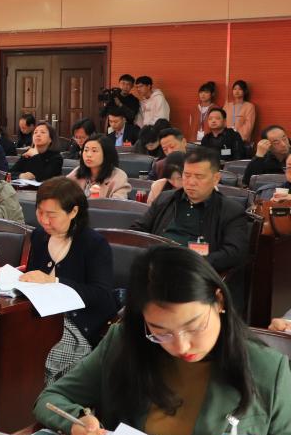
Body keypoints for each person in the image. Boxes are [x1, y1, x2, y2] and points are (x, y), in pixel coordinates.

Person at [35, 246, 291, 435]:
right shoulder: (124, 343)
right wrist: (78, 423)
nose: (181, 346)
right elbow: (51, 398)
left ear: (219, 301)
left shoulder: (268, 369)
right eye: (160, 332)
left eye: (194, 327)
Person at [131, 149, 250, 311]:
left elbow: (235, 252)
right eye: (186, 175)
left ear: (216, 178)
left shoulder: (230, 210)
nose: (191, 182)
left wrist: (192, 263)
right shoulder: (166, 199)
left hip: (196, 277)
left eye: (199, 177)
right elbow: (137, 229)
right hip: (156, 269)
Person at [23, 177, 115, 382]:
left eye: (51, 215)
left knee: (39, 357)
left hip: (76, 324)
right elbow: (33, 280)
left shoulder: (94, 244)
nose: (44, 220)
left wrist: (54, 282)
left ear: (73, 212)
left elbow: (102, 295)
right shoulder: (39, 236)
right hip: (41, 316)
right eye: (40, 212)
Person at [67, 134, 131, 200]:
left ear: (106, 154)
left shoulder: (119, 176)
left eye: (94, 151)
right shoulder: (78, 171)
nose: (88, 155)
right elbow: (62, 192)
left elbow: (117, 204)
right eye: (86, 150)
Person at [224, 80, 256, 144]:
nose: (237, 91)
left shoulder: (249, 106)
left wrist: (237, 137)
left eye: (240, 89)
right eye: (235, 89)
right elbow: (222, 121)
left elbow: (248, 125)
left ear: (245, 91)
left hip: (241, 141)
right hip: (226, 139)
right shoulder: (227, 105)